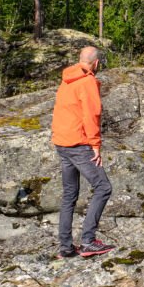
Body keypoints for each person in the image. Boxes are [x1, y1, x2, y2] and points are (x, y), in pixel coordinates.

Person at [51, 46, 116, 258]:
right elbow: (92, 114)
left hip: (62, 143)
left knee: (69, 194)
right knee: (103, 187)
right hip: (79, 144)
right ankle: (88, 241)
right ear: (96, 64)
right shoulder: (87, 82)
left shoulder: (66, 79)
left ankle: (66, 247)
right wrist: (95, 145)